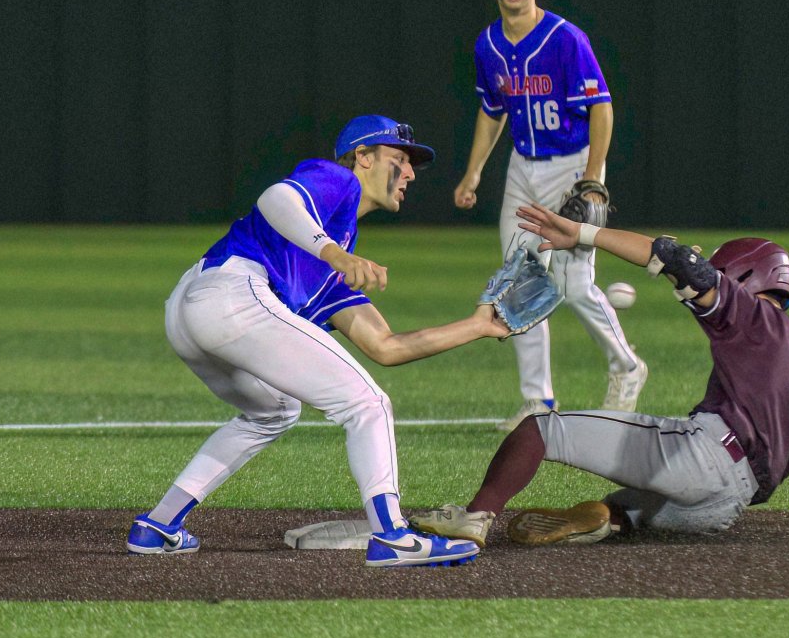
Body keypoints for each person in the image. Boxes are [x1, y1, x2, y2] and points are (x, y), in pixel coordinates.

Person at [410, 203, 789, 547]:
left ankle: (473, 518)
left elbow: (673, 258)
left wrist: (584, 234)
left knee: (538, 429)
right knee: (631, 503)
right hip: (725, 509)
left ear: (745, 277)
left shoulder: (751, 316)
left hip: (706, 457)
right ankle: (613, 516)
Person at [126, 115, 510, 568]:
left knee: (274, 412)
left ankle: (158, 525)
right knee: (368, 404)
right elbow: (276, 198)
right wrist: (335, 253)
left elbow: (386, 346)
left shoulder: (335, 264)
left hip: (193, 312)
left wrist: (479, 326)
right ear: (363, 157)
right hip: (230, 291)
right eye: (399, 158)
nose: (409, 172)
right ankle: (392, 536)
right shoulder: (338, 182)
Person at [454, 0, 647, 432]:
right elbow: (492, 110)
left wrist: (593, 178)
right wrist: (474, 170)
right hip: (523, 168)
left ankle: (627, 366)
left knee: (573, 285)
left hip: (571, 166)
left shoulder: (565, 39)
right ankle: (537, 400)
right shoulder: (487, 45)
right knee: (518, 280)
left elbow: (601, 108)